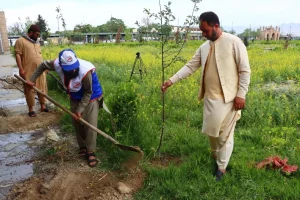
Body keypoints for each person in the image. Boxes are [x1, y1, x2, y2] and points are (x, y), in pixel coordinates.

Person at [161, 11, 251, 181]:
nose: (203, 34)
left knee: (225, 135)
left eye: (206, 31)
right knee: (212, 133)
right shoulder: (204, 47)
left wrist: (241, 94)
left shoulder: (234, 42)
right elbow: (190, 66)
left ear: (216, 26)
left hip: (230, 99)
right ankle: (217, 157)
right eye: (202, 31)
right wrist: (171, 81)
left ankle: (222, 168)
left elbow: (245, 70)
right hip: (210, 99)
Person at [27, 49, 104, 168]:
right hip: (74, 96)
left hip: (91, 97)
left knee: (89, 124)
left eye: (74, 67)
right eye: (69, 69)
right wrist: (32, 80)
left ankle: (91, 151)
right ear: (61, 66)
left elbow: (88, 92)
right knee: (77, 122)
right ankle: (82, 147)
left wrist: (80, 110)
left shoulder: (85, 71)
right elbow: (42, 65)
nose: (73, 70)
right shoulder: (56, 64)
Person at [15, 24, 48, 117]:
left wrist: (45, 68)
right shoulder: (20, 41)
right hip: (28, 69)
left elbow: (40, 56)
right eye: (36, 34)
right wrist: (21, 69)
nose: (38, 36)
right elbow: (18, 55)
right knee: (29, 89)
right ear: (31, 32)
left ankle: (43, 106)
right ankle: (31, 109)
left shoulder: (36, 43)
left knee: (42, 87)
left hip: (40, 70)